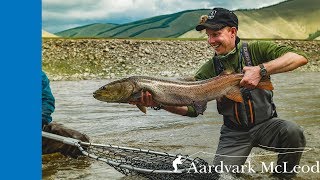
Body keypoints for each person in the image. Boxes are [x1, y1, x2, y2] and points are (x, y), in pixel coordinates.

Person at [130, 8, 308, 178]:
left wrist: (261, 70)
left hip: (267, 125)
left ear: (232, 31)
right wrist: (160, 103)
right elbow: (192, 110)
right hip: (234, 134)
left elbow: (299, 57)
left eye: (215, 34)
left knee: (293, 132)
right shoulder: (209, 69)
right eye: (208, 36)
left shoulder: (256, 50)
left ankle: (283, 177)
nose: (211, 41)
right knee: (222, 177)